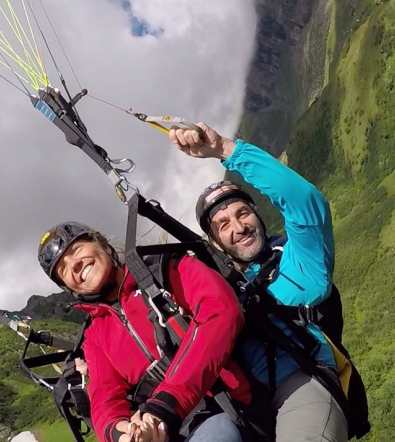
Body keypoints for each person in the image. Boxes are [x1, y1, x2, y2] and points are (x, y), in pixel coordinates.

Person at [170, 123, 351, 442]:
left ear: (258, 214)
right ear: (214, 242)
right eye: (223, 224)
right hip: (236, 407)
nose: (238, 226)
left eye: (243, 213)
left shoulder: (297, 263)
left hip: (301, 383)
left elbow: (306, 202)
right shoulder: (211, 286)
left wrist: (225, 150)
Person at [37, 221, 254, 442]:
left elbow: (219, 311)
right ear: (69, 288)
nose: (74, 265)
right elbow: (104, 397)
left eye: (76, 250)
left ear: (100, 243)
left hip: (222, 405)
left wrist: (168, 402)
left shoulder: (164, 270)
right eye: (63, 269)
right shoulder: (94, 335)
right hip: (163, 428)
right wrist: (122, 431)